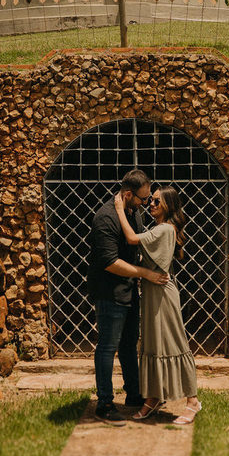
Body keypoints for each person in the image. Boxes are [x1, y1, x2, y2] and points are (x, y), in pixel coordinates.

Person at [113, 184, 202, 425]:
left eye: (156, 201)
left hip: (163, 294)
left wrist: (119, 210)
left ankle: (192, 400)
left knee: (174, 343)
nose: (150, 205)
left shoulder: (164, 229)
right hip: (152, 293)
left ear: (168, 206)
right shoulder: (158, 228)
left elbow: (132, 239)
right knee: (152, 344)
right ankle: (153, 397)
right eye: (150, 200)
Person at [87, 169, 169, 424]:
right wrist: (145, 273)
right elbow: (110, 262)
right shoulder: (105, 218)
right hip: (109, 292)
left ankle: (134, 394)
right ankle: (104, 403)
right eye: (143, 199)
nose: (147, 203)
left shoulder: (133, 213)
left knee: (129, 344)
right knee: (107, 347)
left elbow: (136, 244)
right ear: (127, 194)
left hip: (129, 289)